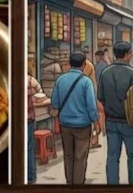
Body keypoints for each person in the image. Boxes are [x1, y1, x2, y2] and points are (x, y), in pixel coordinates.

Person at [50, 51, 99, 185]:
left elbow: (54, 103)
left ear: (70, 64)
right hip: (82, 126)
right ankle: (78, 184)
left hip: (65, 124)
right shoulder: (86, 82)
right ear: (84, 64)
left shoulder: (61, 80)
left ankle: (69, 181)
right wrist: (96, 123)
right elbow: (91, 106)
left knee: (68, 155)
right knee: (80, 157)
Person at [98, 41, 133, 185]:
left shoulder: (105, 72)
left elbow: (101, 97)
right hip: (130, 121)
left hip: (111, 121)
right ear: (128, 54)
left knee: (112, 156)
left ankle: (112, 183)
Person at [27, 73, 50, 185]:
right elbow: (40, 90)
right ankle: (31, 177)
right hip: (28, 119)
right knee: (29, 149)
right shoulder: (29, 80)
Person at [81, 49, 102, 150]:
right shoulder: (89, 65)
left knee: (92, 118)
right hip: (90, 93)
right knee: (92, 118)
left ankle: (93, 140)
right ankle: (93, 140)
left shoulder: (87, 66)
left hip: (90, 93)